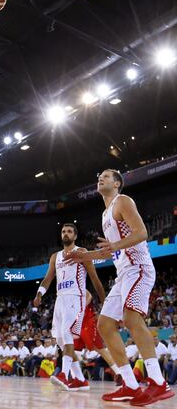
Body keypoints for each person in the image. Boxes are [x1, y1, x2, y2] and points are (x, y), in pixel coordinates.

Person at [65, 169, 174, 405]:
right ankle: (130, 385)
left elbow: (142, 233)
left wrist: (114, 246)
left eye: (106, 175)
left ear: (117, 184)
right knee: (104, 325)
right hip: (123, 273)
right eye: (98, 176)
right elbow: (112, 250)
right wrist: (86, 256)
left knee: (132, 319)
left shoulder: (122, 201)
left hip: (139, 268)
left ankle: (158, 382)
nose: (100, 178)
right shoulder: (105, 213)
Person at [34, 223, 105, 391]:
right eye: (63, 231)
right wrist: (39, 294)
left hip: (76, 297)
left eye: (69, 231)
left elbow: (94, 278)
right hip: (60, 299)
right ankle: (80, 379)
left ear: (75, 236)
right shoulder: (55, 257)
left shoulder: (82, 252)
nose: (66, 233)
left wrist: (104, 300)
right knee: (59, 339)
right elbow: (48, 278)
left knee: (67, 334)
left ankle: (64, 375)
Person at [73, 290, 122, 385]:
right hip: (77, 324)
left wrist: (82, 309)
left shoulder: (77, 283)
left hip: (87, 323)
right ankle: (76, 377)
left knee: (100, 350)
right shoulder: (64, 291)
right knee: (73, 350)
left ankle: (119, 373)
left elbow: (89, 295)